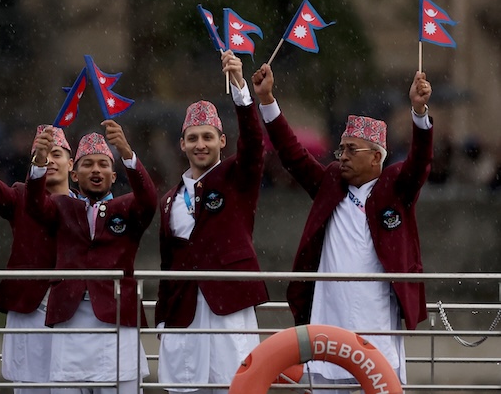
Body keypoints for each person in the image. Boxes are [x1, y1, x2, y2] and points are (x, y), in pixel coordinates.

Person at [252, 64, 434, 392]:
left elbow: (420, 162)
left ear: (377, 157)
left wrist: (419, 113)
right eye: (341, 149)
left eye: (352, 150)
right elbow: (292, 153)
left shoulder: (395, 187)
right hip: (328, 318)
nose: (343, 157)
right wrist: (267, 100)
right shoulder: (330, 182)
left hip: (375, 321)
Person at [156, 51, 267, 394]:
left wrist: (239, 89)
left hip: (227, 303)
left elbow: (254, 145)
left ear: (222, 141)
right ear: (182, 145)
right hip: (184, 309)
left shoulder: (237, 178)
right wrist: (162, 313)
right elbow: (168, 259)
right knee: (184, 388)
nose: (200, 144)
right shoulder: (169, 199)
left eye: (207, 137)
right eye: (192, 138)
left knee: (233, 385)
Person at [27, 119, 158, 394]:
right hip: (70, 318)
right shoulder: (60, 206)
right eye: (87, 164)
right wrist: (39, 163)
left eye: (103, 164)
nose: (95, 170)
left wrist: (126, 152)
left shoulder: (127, 208)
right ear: (74, 174)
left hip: (117, 316)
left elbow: (148, 200)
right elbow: (34, 205)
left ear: (113, 176)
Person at [0, 125, 73, 394]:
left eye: (57, 154)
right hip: (29, 309)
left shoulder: (87, 204)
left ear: (71, 163)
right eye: (42, 155)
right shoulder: (20, 197)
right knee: (28, 386)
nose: (50, 161)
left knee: (71, 385)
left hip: (73, 309)